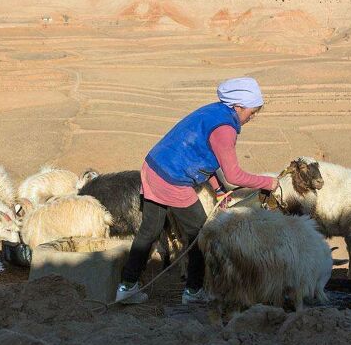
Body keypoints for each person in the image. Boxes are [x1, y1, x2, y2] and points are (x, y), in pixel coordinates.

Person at [116, 77, 279, 305]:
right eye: (252, 112)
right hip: (172, 178)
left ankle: (126, 287)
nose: (253, 117)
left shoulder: (214, 112)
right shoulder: (225, 129)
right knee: (202, 235)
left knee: (149, 231)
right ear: (239, 106)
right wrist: (266, 182)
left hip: (153, 166)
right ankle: (193, 292)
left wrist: (219, 190)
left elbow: (202, 155)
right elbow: (234, 175)